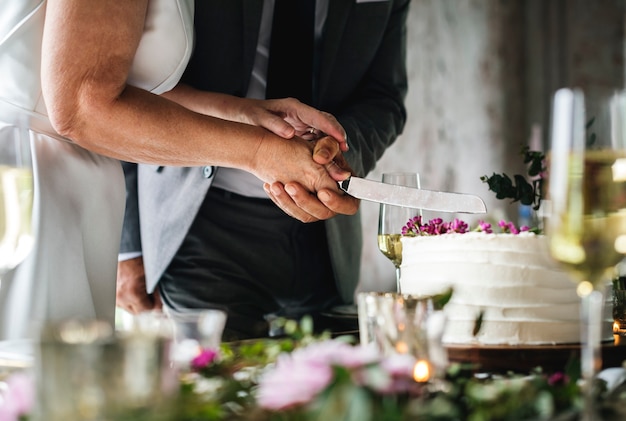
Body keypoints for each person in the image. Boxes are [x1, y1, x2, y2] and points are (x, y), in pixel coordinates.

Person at [0, 0, 356, 342]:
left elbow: (118, 83)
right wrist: (259, 151)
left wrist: (244, 113)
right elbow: (81, 106)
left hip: (75, 185)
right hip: (32, 192)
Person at [116, 0, 410, 339]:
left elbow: (384, 97)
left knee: (322, 387)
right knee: (217, 385)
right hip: (199, 226)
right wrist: (128, 246)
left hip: (324, 239)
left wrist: (339, 152)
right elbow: (128, 90)